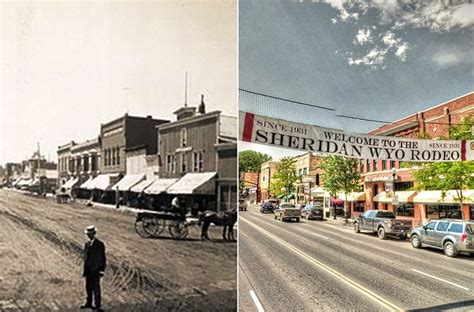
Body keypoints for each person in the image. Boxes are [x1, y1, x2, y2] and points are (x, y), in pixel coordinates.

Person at [81, 226, 106, 312]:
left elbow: (103, 258)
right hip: (88, 270)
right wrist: (85, 270)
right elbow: (86, 258)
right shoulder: (87, 244)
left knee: (96, 289)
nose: (88, 236)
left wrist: (102, 270)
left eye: (90, 234)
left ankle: (97, 306)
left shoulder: (100, 244)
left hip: (96, 270)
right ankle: (89, 303)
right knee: (88, 288)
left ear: (94, 234)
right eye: (88, 234)